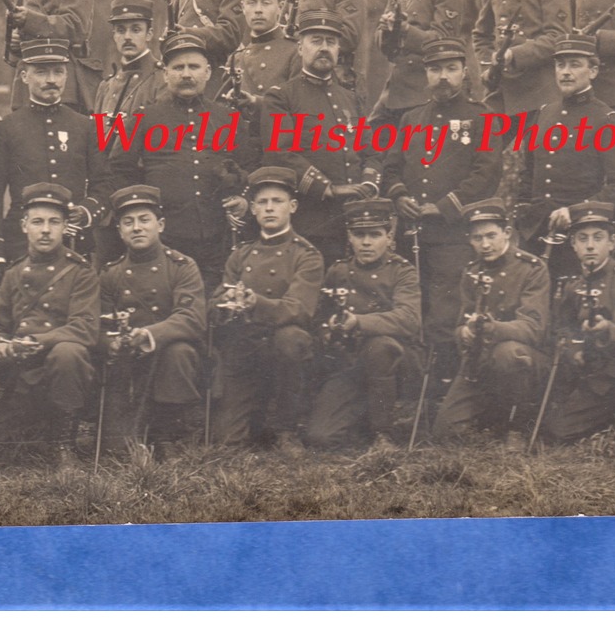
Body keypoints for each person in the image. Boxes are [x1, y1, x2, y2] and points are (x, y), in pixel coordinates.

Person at [0, 183, 101, 467]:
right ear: (24, 225)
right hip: (18, 380)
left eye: (54, 222)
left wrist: (39, 342)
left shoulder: (81, 272)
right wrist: (0, 346)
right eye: (38, 221)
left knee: (68, 352)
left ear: (66, 226)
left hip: (60, 376)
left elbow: (85, 327)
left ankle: (62, 444)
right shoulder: (14, 273)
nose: (45, 230)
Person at [380, 36, 502, 379]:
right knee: (410, 310)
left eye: (451, 68)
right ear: (425, 74)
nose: (443, 76)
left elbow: (487, 173)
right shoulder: (411, 119)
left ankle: (443, 393)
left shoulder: (482, 118)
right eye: (435, 69)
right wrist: (399, 195)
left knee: (446, 315)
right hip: (411, 236)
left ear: (464, 72)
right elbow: (391, 167)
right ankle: (412, 388)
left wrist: (444, 207)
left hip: (453, 236)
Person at [104, 31, 248, 292]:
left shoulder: (228, 118)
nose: (186, 74)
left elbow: (248, 165)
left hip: (216, 239)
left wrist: (241, 197)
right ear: (165, 74)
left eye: (193, 67)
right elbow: (118, 169)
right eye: (178, 67)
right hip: (163, 239)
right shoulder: (142, 117)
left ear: (207, 72)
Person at [208, 167, 325, 450]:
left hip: (282, 347)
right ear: (253, 209)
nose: (269, 208)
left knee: (292, 340)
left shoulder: (306, 254)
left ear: (292, 207)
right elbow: (217, 299)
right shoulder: (241, 254)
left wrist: (254, 303)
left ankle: (286, 428)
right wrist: (224, 306)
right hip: (246, 348)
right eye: (262, 202)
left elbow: (298, 308)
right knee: (227, 442)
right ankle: (256, 417)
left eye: (277, 201)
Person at [97, 185, 208, 461]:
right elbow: (98, 324)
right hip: (127, 364)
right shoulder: (111, 274)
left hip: (171, 358)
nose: (137, 228)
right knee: (115, 452)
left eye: (144, 220)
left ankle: (169, 434)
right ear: (120, 231)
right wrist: (112, 343)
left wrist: (148, 334)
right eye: (128, 222)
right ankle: (134, 436)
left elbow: (192, 318)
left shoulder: (182, 266)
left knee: (177, 352)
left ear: (160, 225)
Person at [515, 35, 615, 280]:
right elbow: (528, 173)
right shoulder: (543, 114)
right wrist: (523, 212)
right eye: (560, 65)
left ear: (593, 71)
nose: (566, 72)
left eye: (574, 64)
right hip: (534, 235)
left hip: (579, 239)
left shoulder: (607, 120)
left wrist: (575, 213)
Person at [258, 10, 378, 259]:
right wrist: (329, 189)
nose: (324, 48)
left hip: (356, 222)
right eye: (316, 41)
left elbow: (371, 151)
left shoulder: (351, 98)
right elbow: (278, 152)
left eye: (331, 42)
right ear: (300, 48)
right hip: (311, 221)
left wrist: (368, 184)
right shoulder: (282, 96)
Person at [305, 198, 424, 451]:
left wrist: (359, 322)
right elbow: (319, 318)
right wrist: (327, 330)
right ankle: (362, 416)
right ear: (349, 237)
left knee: (379, 347)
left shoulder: (402, 271)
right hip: (351, 363)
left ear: (389, 237)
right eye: (359, 235)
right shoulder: (338, 271)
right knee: (320, 437)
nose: (367, 242)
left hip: (396, 364)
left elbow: (409, 319)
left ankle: (383, 433)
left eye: (375, 234)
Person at [539, 201, 615, 444]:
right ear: (573, 245)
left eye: (598, 237)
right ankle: (606, 418)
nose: (591, 246)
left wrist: (607, 330)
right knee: (558, 430)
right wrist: (574, 349)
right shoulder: (572, 285)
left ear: (612, 242)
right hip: (596, 378)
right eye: (582, 239)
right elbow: (561, 327)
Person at [432, 199, 551, 446]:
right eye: (477, 238)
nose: (485, 245)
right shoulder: (470, 272)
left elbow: (533, 329)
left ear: (507, 233)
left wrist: (493, 328)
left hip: (522, 362)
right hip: (480, 362)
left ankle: (517, 426)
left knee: (509, 354)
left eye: (491, 236)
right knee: (445, 431)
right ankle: (493, 419)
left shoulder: (532, 268)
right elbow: (460, 322)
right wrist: (464, 332)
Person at [0, 38, 108, 272]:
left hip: (74, 240)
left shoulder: (86, 126)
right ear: (24, 76)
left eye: (58, 72)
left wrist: (85, 212)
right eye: (41, 72)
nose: (51, 80)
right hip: (21, 243)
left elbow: (103, 184)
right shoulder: (6, 127)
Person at [223, 0, 299, 146]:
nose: (258, 10)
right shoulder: (236, 58)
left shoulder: (294, 52)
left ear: (280, 7)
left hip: (280, 148)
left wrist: (257, 104)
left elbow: (300, 111)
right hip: (242, 149)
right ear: (242, 7)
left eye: (266, 3)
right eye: (251, 3)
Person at [92, 0, 161, 121]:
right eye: (121, 30)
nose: (127, 37)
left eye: (136, 30)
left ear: (149, 34)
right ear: (114, 36)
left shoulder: (160, 79)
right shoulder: (106, 86)